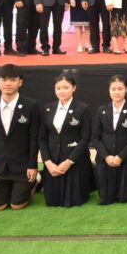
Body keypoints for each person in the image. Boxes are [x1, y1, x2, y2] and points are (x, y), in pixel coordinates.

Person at [0, 64, 40, 210]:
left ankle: (38, 180)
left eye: (13, 80)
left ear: (20, 82)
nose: (8, 83)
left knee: (16, 205)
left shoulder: (31, 105)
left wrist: (32, 165)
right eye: (4, 79)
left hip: (22, 167)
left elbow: (34, 138)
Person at [38, 74, 94, 207]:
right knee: (52, 201)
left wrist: (69, 161)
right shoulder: (47, 109)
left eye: (66, 87)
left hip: (75, 160)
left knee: (74, 200)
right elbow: (42, 138)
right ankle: (39, 178)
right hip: (53, 160)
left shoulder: (83, 109)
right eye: (58, 88)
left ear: (74, 88)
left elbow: (85, 138)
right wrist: (47, 162)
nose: (61, 91)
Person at [91, 74, 127, 204]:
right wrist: (106, 156)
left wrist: (120, 157)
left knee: (126, 197)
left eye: (120, 89)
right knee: (106, 197)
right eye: (113, 89)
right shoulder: (101, 110)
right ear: (109, 90)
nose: (116, 92)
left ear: (126, 89)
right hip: (105, 160)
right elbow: (95, 137)